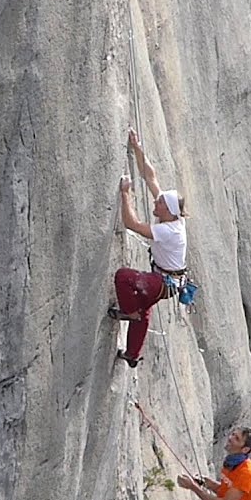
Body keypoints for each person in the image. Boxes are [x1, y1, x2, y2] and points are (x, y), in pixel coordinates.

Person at [110, 128, 188, 368]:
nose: (156, 200)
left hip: (164, 282)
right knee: (144, 306)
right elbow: (151, 177)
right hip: (167, 280)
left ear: (169, 210)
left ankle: (130, 313)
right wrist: (137, 146)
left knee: (124, 277)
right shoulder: (171, 216)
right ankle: (132, 355)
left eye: (161, 202)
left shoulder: (169, 230)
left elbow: (131, 223)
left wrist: (126, 195)